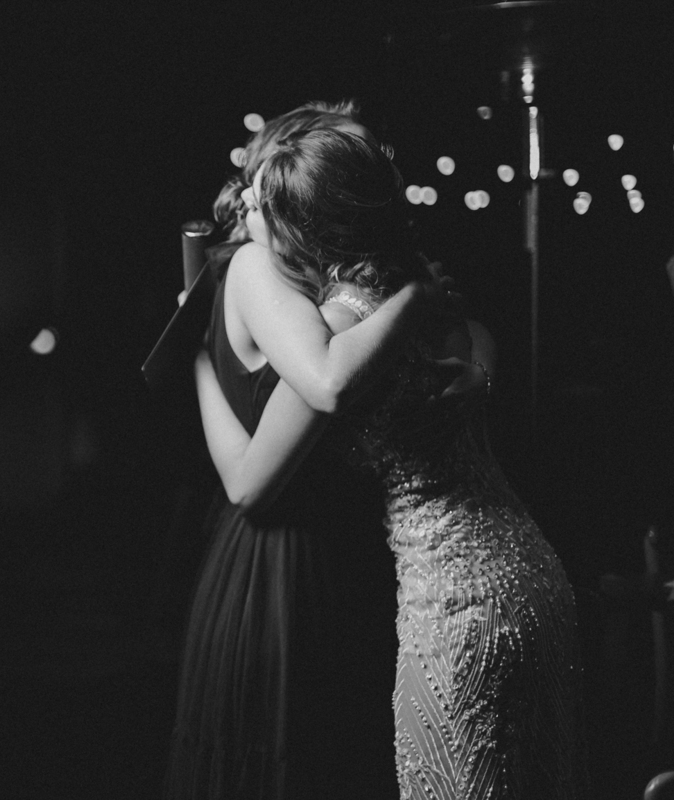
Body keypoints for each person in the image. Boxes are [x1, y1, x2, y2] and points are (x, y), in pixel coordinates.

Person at [196, 128, 586, 798]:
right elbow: (478, 337)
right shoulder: (427, 293)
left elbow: (251, 481)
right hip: (532, 571)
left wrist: (200, 362)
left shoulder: (342, 328)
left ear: (300, 232)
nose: (247, 217)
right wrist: (480, 368)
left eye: (261, 207)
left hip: (455, 606)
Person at [165, 102, 444, 800]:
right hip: (286, 561)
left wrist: (196, 361)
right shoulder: (257, 267)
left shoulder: (290, 280)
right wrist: (416, 294)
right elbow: (322, 385)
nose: (248, 201)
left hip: (303, 543)